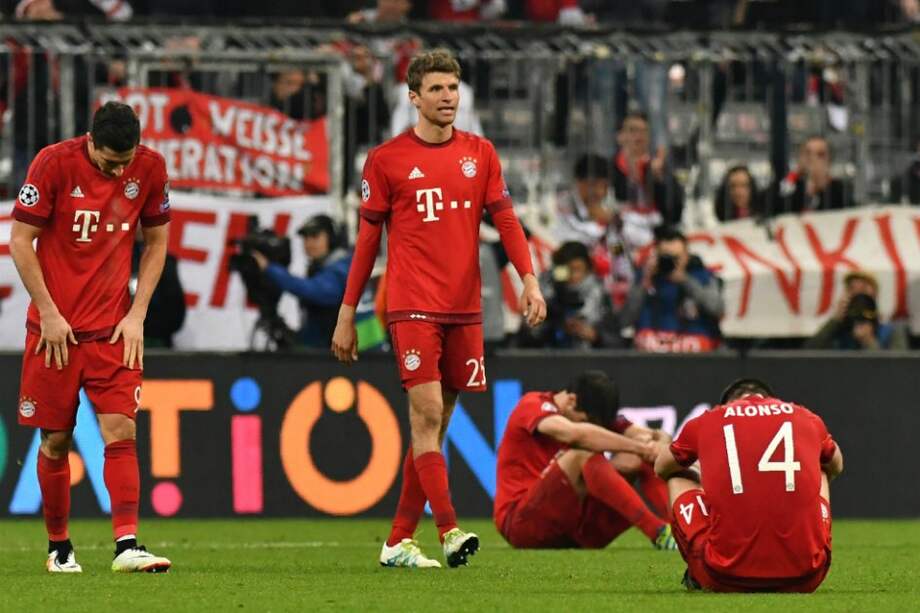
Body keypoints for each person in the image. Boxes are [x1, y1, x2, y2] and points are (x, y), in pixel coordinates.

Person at [331, 49, 545, 568]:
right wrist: (347, 312)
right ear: (413, 97)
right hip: (412, 305)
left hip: (464, 307)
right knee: (426, 414)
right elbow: (367, 243)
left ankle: (397, 541)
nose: (447, 98)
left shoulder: (480, 153)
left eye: (453, 88)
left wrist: (529, 279)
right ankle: (448, 530)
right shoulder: (386, 160)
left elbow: (507, 220)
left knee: (436, 425)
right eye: (436, 89)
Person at [8, 101, 172, 572]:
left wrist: (137, 314)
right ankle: (59, 548)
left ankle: (127, 545)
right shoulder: (53, 163)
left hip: (113, 329)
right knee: (56, 440)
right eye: (109, 161)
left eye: (125, 161)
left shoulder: (151, 168)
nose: (118, 171)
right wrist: (48, 312)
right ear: (90, 140)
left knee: (121, 429)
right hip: (55, 332)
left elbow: (157, 241)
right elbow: (20, 240)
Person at [655, 378, 843, 592]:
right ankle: (809, 545)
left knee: (678, 475)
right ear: (772, 400)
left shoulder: (709, 419)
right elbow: (837, 464)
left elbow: (661, 467)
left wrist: (702, 475)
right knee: (822, 467)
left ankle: (695, 574)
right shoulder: (805, 416)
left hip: (722, 576)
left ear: (726, 404)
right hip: (807, 576)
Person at [495, 371, 677, 550]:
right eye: (586, 422)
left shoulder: (591, 411)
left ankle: (680, 529)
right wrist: (641, 447)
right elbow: (576, 434)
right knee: (582, 453)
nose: (592, 428)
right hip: (522, 525)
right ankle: (658, 532)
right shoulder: (533, 404)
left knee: (637, 459)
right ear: (571, 400)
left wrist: (656, 445)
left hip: (575, 530)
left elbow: (656, 436)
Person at [252, 215, 351, 350]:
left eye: (315, 236)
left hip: (361, 357)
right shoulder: (320, 268)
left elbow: (315, 291)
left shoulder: (343, 268)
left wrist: (269, 268)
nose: (308, 243)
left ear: (332, 239)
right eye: (305, 238)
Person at [621, 226, 724, 353]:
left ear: (686, 256)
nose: (670, 263)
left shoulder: (702, 277)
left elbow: (717, 309)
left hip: (693, 352)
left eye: (676, 258)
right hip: (651, 352)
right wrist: (644, 283)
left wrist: (685, 280)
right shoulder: (644, 278)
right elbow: (624, 320)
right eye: (665, 257)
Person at [518, 241, 622, 349]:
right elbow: (526, 336)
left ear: (588, 269)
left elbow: (617, 341)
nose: (572, 276)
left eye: (577, 269)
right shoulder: (545, 292)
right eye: (567, 270)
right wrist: (553, 322)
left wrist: (595, 336)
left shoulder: (600, 297)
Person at [612, 111, 684, 249]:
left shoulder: (660, 168)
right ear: (620, 136)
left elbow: (675, 214)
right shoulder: (610, 169)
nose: (639, 136)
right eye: (632, 130)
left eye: (644, 131)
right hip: (618, 241)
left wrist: (659, 180)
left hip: (656, 241)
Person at [804, 270, 909, 351]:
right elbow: (807, 355)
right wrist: (835, 320)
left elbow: (896, 368)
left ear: (875, 294)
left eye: (863, 288)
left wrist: (869, 342)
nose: (858, 294)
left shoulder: (892, 331)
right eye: (852, 289)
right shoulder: (838, 330)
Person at [771, 136, 854, 214]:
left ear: (829, 161)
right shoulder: (788, 184)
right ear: (800, 157)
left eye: (820, 155)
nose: (812, 158)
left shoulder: (840, 190)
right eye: (807, 153)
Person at [552, 153, 614, 248]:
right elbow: (564, 240)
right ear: (578, 182)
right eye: (593, 185)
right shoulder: (561, 203)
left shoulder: (607, 208)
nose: (600, 192)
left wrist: (612, 225)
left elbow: (617, 248)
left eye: (605, 186)